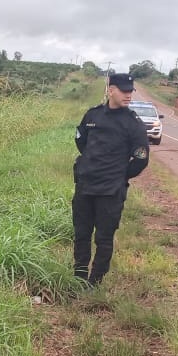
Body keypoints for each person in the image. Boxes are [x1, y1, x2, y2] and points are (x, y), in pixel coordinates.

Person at [72, 73, 150, 287]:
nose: (128, 95)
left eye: (130, 91)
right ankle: (78, 276)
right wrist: (89, 165)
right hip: (86, 185)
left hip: (111, 190)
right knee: (81, 233)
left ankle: (95, 281)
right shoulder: (93, 116)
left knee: (104, 238)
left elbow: (141, 158)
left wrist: (120, 174)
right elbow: (81, 141)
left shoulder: (133, 123)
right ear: (111, 90)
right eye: (123, 90)